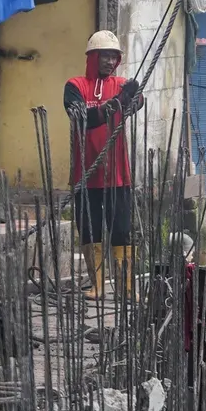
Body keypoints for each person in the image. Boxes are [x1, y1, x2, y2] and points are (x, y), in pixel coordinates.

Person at [64, 31, 142, 300]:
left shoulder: (121, 84)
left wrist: (132, 97)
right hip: (85, 174)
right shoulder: (75, 85)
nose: (110, 61)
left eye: (114, 57)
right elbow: (80, 116)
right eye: (105, 56)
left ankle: (125, 288)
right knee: (89, 230)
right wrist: (111, 106)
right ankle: (97, 286)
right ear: (93, 57)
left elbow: (136, 103)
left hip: (118, 174)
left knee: (121, 230)